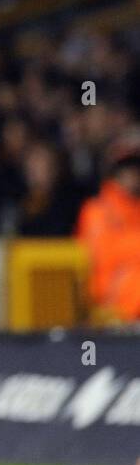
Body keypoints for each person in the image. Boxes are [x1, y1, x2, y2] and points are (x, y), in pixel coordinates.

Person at [76, 131, 140, 322]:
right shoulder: (97, 210)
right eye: (127, 170)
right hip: (110, 295)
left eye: (136, 169)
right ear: (114, 173)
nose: (133, 175)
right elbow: (104, 257)